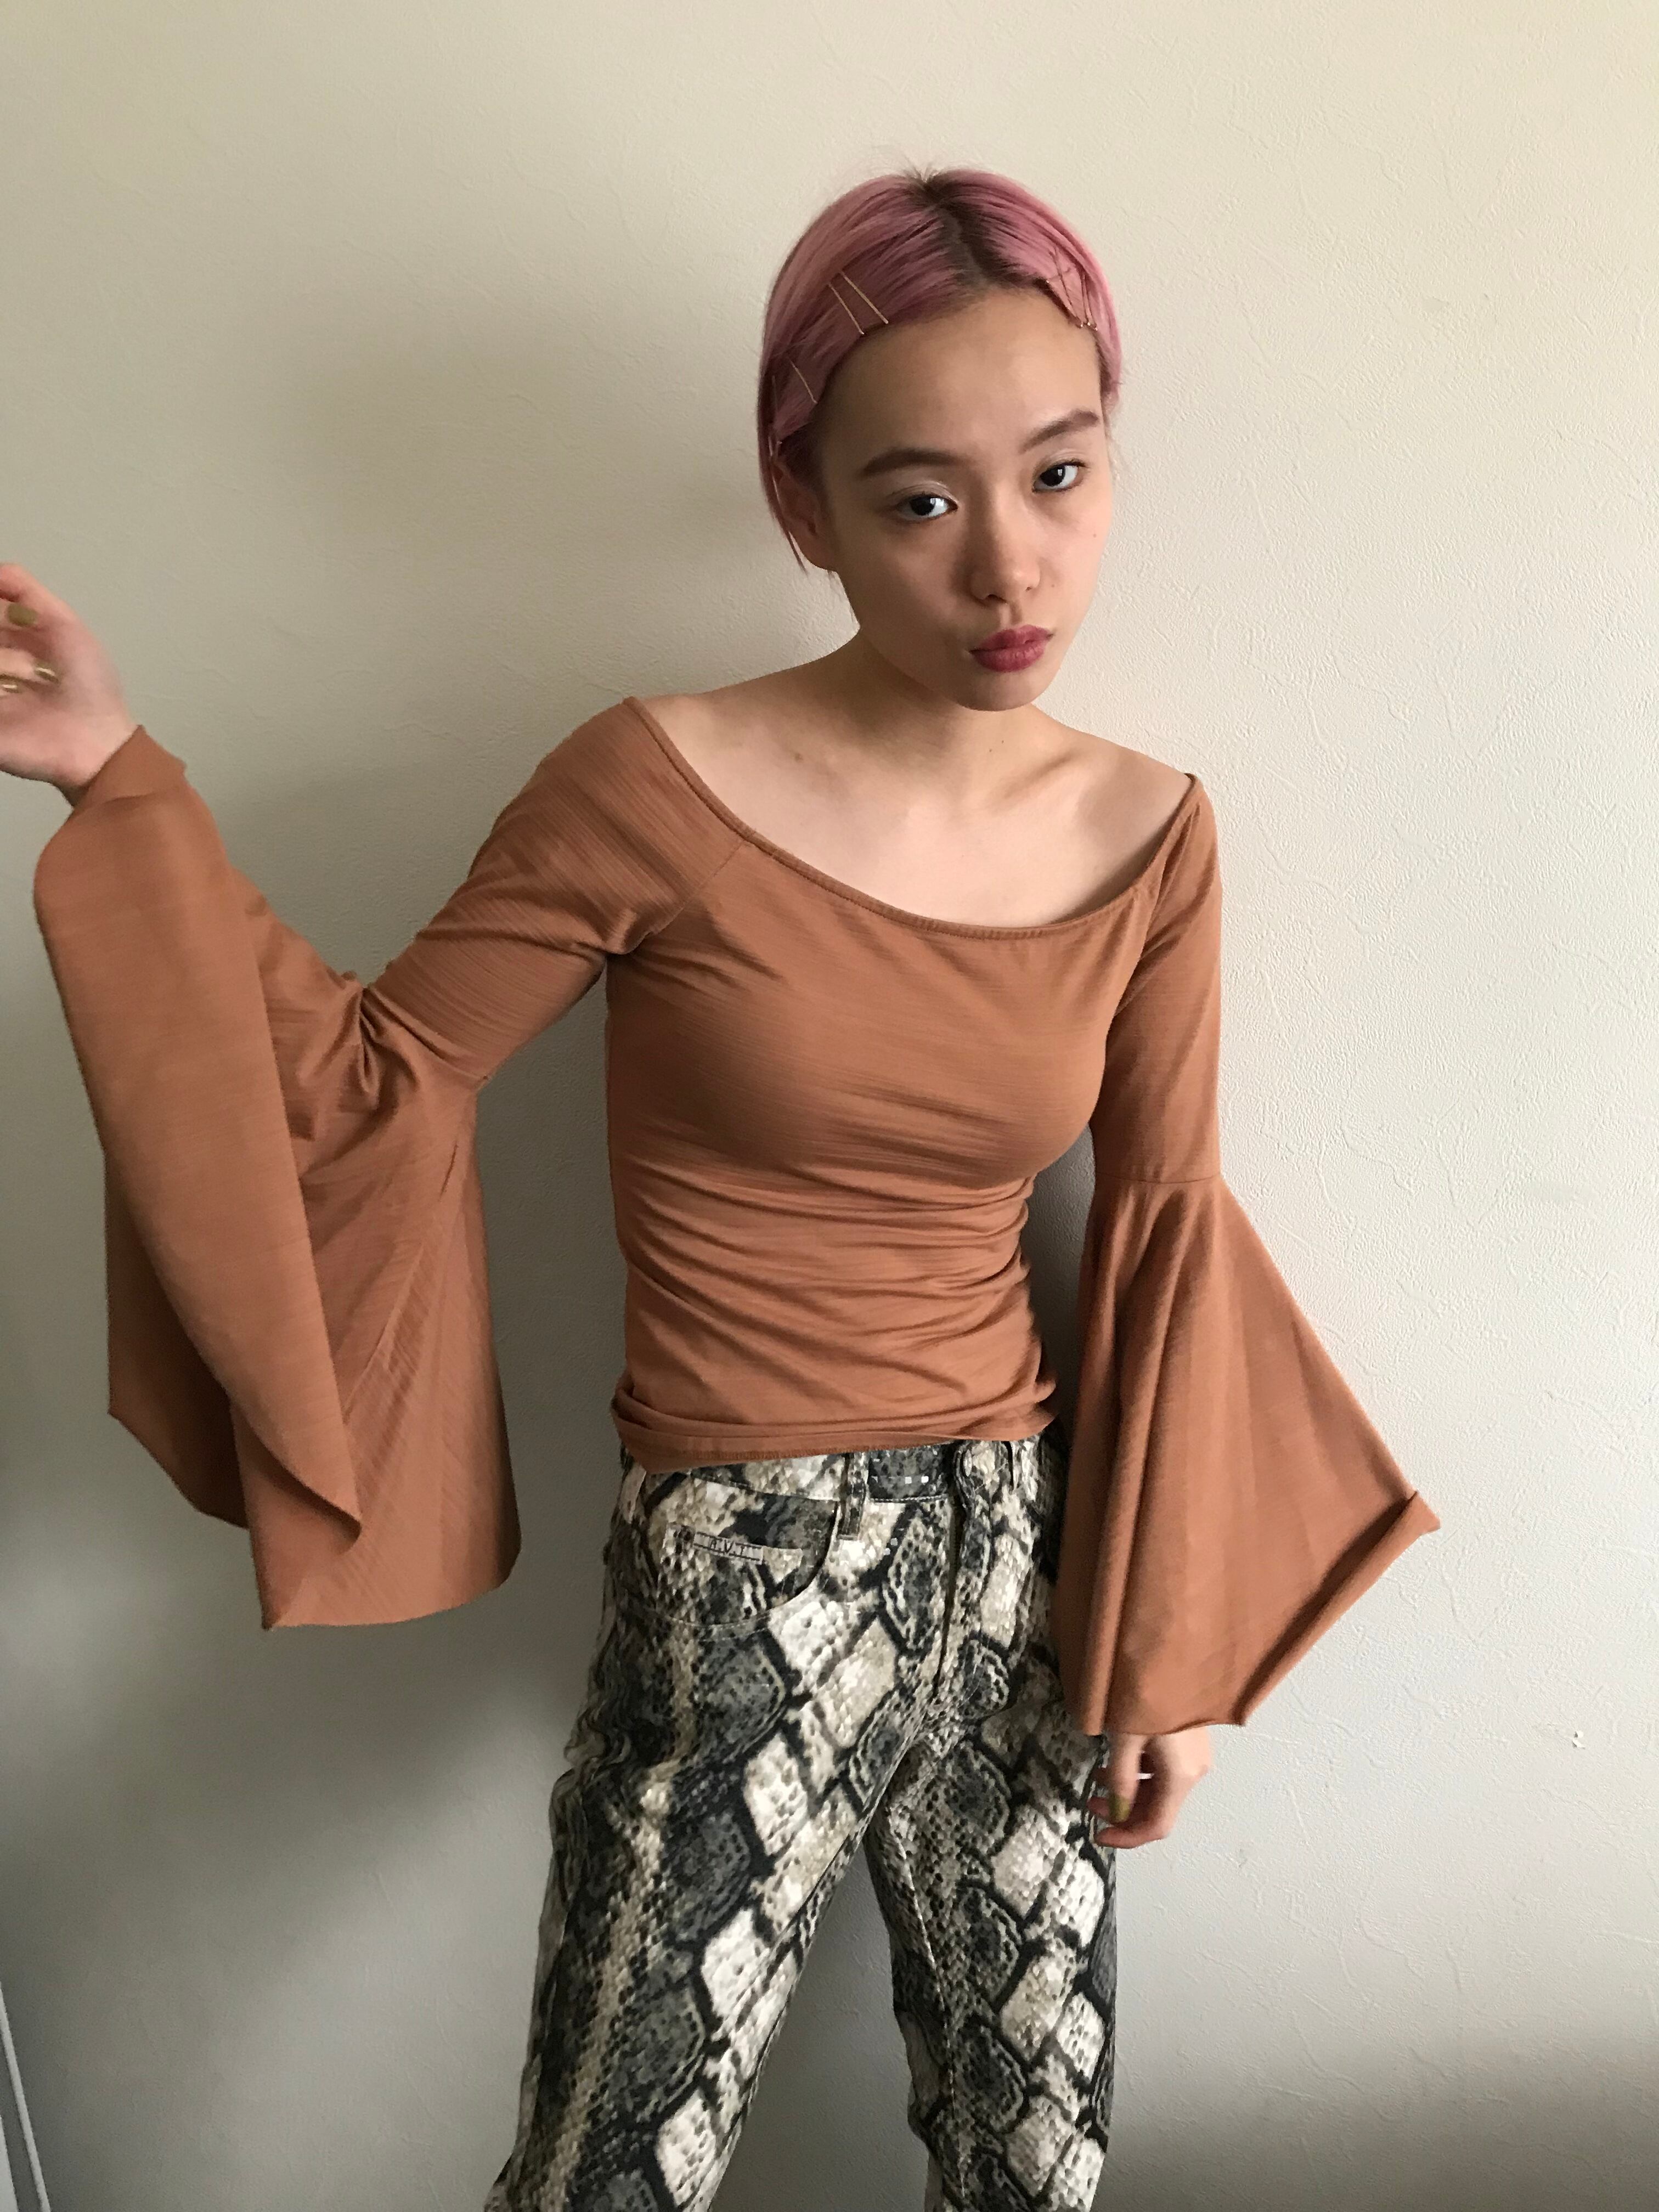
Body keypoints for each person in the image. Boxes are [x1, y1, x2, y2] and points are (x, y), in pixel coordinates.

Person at [5, 165, 1438, 2211]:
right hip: (741, 1571)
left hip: (1023, 1571)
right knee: (610, 2176)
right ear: (805, 505)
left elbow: (1161, 1238)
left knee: (1042, 2170)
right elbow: (372, 1082)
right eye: (920, 500)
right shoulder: (649, 785)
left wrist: (1171, 1654)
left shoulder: (1153, 835)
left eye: (1060, 474)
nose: (1010, 565)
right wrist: (116, 777)